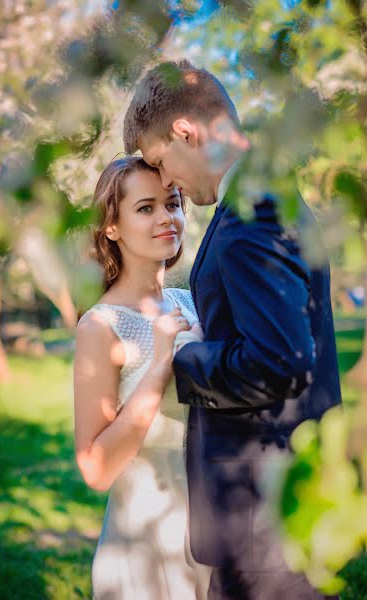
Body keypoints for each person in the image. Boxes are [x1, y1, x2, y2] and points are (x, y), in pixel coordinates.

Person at [123, 60, 342, 599]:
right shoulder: (258, 200)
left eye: (160, 162)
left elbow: (281, 362)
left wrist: (187, 358)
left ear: (185, 132)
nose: (166, 180)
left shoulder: (254, 214)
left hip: (261, 519)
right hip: (272, 507)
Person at [73, 156, 211, 599]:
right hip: (147, 541)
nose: (167, 218)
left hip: (214, 526)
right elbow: (95, 469)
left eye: (172, 204)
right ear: (111, 226)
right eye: (146, 208)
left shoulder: (191, 302)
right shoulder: (100, 325)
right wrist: (160, 365)